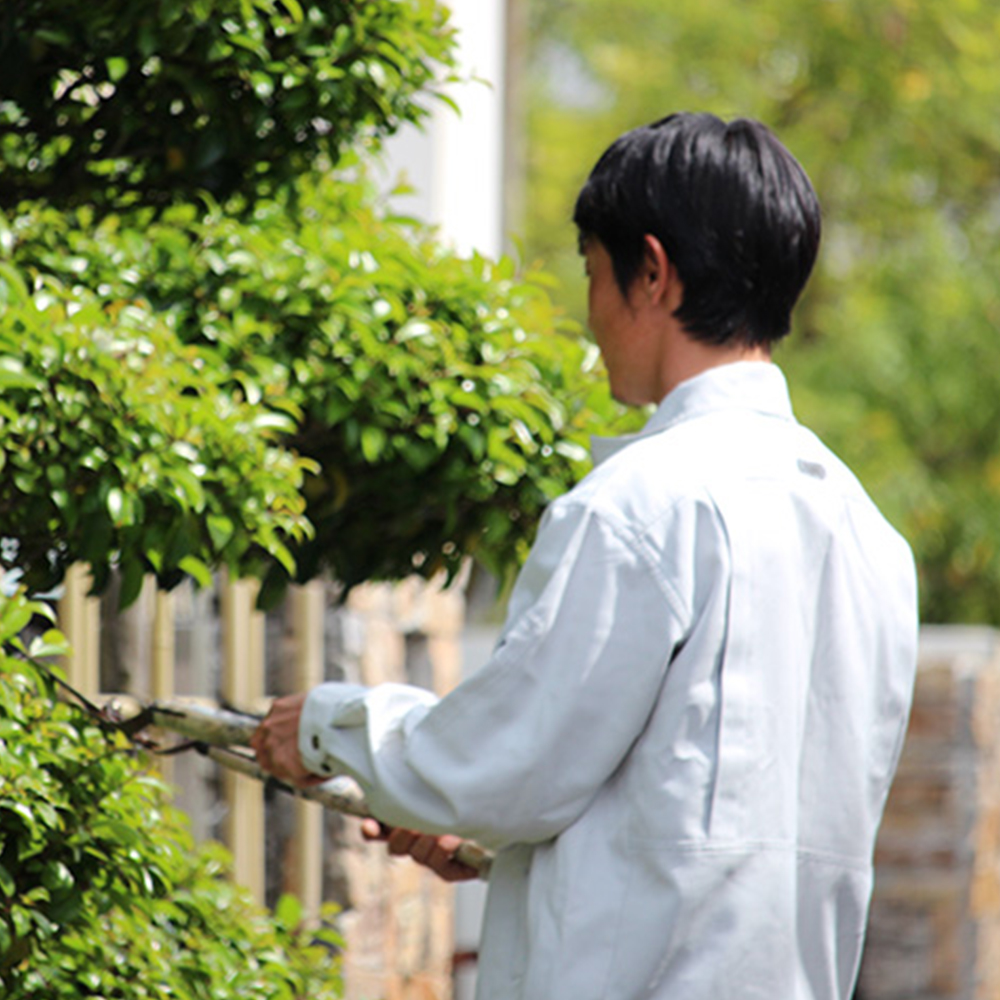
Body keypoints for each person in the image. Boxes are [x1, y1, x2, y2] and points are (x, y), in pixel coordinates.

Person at [252, 112, 918, 1000]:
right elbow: (698, 832)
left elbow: (500, 767)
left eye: (594, 273)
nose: (592, 310)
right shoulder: (870, 537)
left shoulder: (640, 505)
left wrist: (330, 727)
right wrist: (501, 849)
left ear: (652, 271)